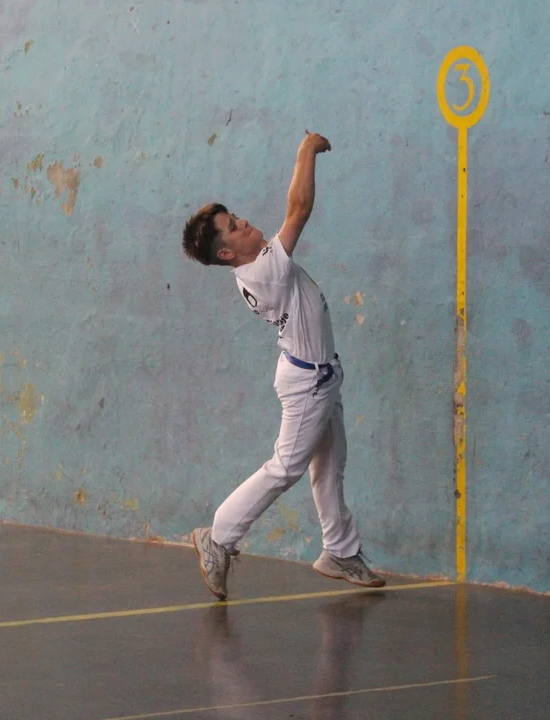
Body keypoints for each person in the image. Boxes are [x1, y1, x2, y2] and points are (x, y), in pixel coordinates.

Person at [181, 131, 385, 600]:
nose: (244, 222)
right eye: (234, 227)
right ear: (228, 253)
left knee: (329, 466)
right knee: (285, 468)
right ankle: (218, 537)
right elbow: (299, 208)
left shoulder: (258, 266)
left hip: (320, 376)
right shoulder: (263, 269)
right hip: (308, 385)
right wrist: (306, 150)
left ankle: (339, 551)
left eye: (235, 217)